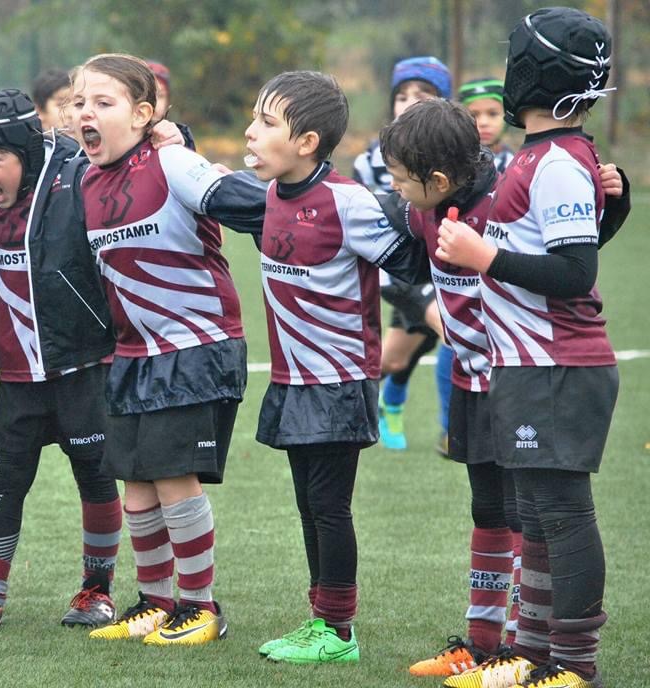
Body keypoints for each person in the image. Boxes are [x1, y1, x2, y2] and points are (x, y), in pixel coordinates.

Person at [377, 97, 628, 681]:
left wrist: (614, 204)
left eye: (402, 179)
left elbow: (570, 259)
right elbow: (380, 234)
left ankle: (522, 645)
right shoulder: (425, 207)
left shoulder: (504, 202)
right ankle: (482, 641)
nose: (396, 190)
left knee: (528, 517)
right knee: (489, 509)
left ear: (438, 179)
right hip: (471, 376)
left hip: (520, 376)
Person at [437, 8, 619, 688]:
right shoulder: (543, 155)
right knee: (537, 517)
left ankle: (574, 664)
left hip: (558, 366)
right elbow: (563, 244)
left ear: (535, 74)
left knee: (563, 516)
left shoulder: (558, 161)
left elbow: (574, 272)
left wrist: (484, 256)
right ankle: (534, 654)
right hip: (527, 366)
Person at [70, 53, 264, 647]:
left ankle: (200, 606)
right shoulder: (87, 179)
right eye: (79, 102)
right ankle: (154, 602)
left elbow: (245, 202)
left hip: (195, 346)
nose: (85, 113)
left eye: (103, 102)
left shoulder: (172, 161)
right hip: (133, 354)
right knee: (136, 482)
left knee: (174, 477)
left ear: (143, 114)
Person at [243, 69, 430, 665]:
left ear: (307, 142)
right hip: (292, 380)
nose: (250, 132)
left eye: (266, 122)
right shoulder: (269, 195)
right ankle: (321, 619)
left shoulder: (347, 202)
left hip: (338, 380)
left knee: (328, 507)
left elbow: (410, 264)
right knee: (308, 506)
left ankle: (339, 630)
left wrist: (431, 309)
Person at [0, 88, 123, 630]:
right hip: (19, 369)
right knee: (7, 476)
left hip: (82, 362)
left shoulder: (74, 178)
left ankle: (97, 590)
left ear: (28, 154)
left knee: (95, 474)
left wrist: (178, 138)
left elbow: (133, 164)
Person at [354, 56, 454, 455]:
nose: (410, 102)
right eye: (402, 96)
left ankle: (387, 402)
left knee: (399, 358)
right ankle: (454, 430)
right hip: (398, 273)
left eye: (423, 95)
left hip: (444, 266)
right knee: (454, 330)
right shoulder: (370, 161)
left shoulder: (457, 156)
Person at [458, 77, 514, 173]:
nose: (484, 123)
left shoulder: (517, 166)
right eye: (473, 115)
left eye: (493, 114)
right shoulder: (452, 166)